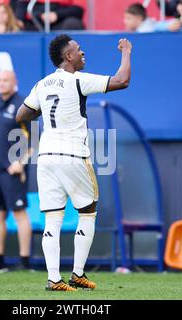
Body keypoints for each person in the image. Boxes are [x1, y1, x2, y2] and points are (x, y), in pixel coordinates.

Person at [15, 35, 132, 291]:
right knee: (87, 212)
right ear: (68, 57)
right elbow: (122, 80)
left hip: (45, 156)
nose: (83, 53)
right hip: (73, 155)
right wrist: (126, 52)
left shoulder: (43, 84)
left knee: (52, 220)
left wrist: (43, 110)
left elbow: (20, 115)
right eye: (78, 50)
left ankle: (53, 279)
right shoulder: (78, 80)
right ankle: (77, 273)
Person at [0, 70, 33, 272]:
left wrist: (22, 162)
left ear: (14, 82)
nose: (1, 84)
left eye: (5, 80)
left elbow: (35, 138)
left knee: (19, 213)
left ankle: (25, 262)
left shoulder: (24, 105)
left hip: (13, 171)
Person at [14, 0, 84, 31]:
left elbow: (78, 10)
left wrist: (56, 15)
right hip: (34, 22)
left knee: (73, 24)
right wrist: (19, 19)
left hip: (60, 22)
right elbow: (22, 3)